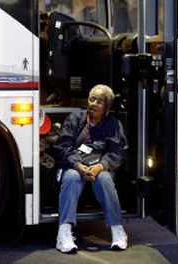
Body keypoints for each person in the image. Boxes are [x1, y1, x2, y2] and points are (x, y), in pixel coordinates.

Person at [54, 84, 128, 254]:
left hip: (99, 167)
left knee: (104, 178)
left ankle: (117, 230)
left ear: (107, 107)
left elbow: (117, 151)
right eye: (91, 99)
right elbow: (63, 145)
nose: (93, 103)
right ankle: (64, 233)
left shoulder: (113, 124)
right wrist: (79, 166)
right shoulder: (75, 118)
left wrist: (99, 167)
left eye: (99, 101)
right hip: (75, 165)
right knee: (72, 177)